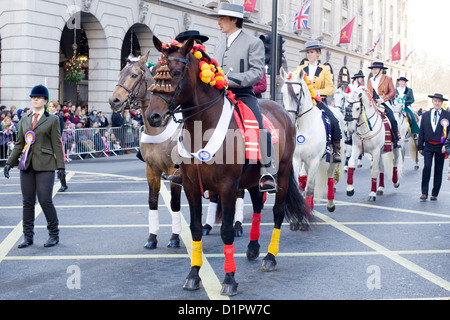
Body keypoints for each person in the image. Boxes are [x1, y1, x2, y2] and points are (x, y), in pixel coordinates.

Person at [210, 2, 277, 192]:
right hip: (219, 94)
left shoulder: (253, 42)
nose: (219, 22)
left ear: (234, 20)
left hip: (242, 94)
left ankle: (267, 172)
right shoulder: (219, 44)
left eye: (222, 18)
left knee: (259, 125)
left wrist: (228, 79)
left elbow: (256, 72)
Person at [3, 84, 65, 248]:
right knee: (28, 202)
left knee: (45, 200)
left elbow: (56, 144)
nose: (35, 99)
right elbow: (19, 144)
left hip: (45, 164)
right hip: (26, 164)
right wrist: (9, 163)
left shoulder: (52, 119)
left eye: (38, 97)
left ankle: (54, 234)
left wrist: (61, 167)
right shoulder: (24, 120)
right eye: (33, 97)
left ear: (45, 100)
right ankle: (28, 236)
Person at [296, 40, 342, 163]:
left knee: (334, 120)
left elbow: (330, 88)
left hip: (318, 102)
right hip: (302, 102)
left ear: (318, 53)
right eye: (308, 52)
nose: (309, 55)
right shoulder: (301, 68)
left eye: (312, 52)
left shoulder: (325, 69)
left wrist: (317, 92)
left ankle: (336, 150)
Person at [418, 93, 450, 201]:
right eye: (435, 101)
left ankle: (435, 193)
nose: (437, 103)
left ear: (442, 103)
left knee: (438, 169)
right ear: (432, 102)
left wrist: (446, 145)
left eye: (439, 101)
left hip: (440, 147)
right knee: (427, 168)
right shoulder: (426, 115)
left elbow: (449, 133)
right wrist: (420, 146)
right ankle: (424, 192)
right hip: (428, 145)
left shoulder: (447, 115)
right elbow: (421, 130)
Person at [366, 61, 400, 148]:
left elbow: (392, 92)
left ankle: (396, 139)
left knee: (392, 119)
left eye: (376, 69)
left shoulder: (387, 79)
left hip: (384, 103)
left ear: (381, 70)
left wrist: (382, 99)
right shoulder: (370, 80)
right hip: (372, 103)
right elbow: (368, 92)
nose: (374, 71)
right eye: (373, 69)